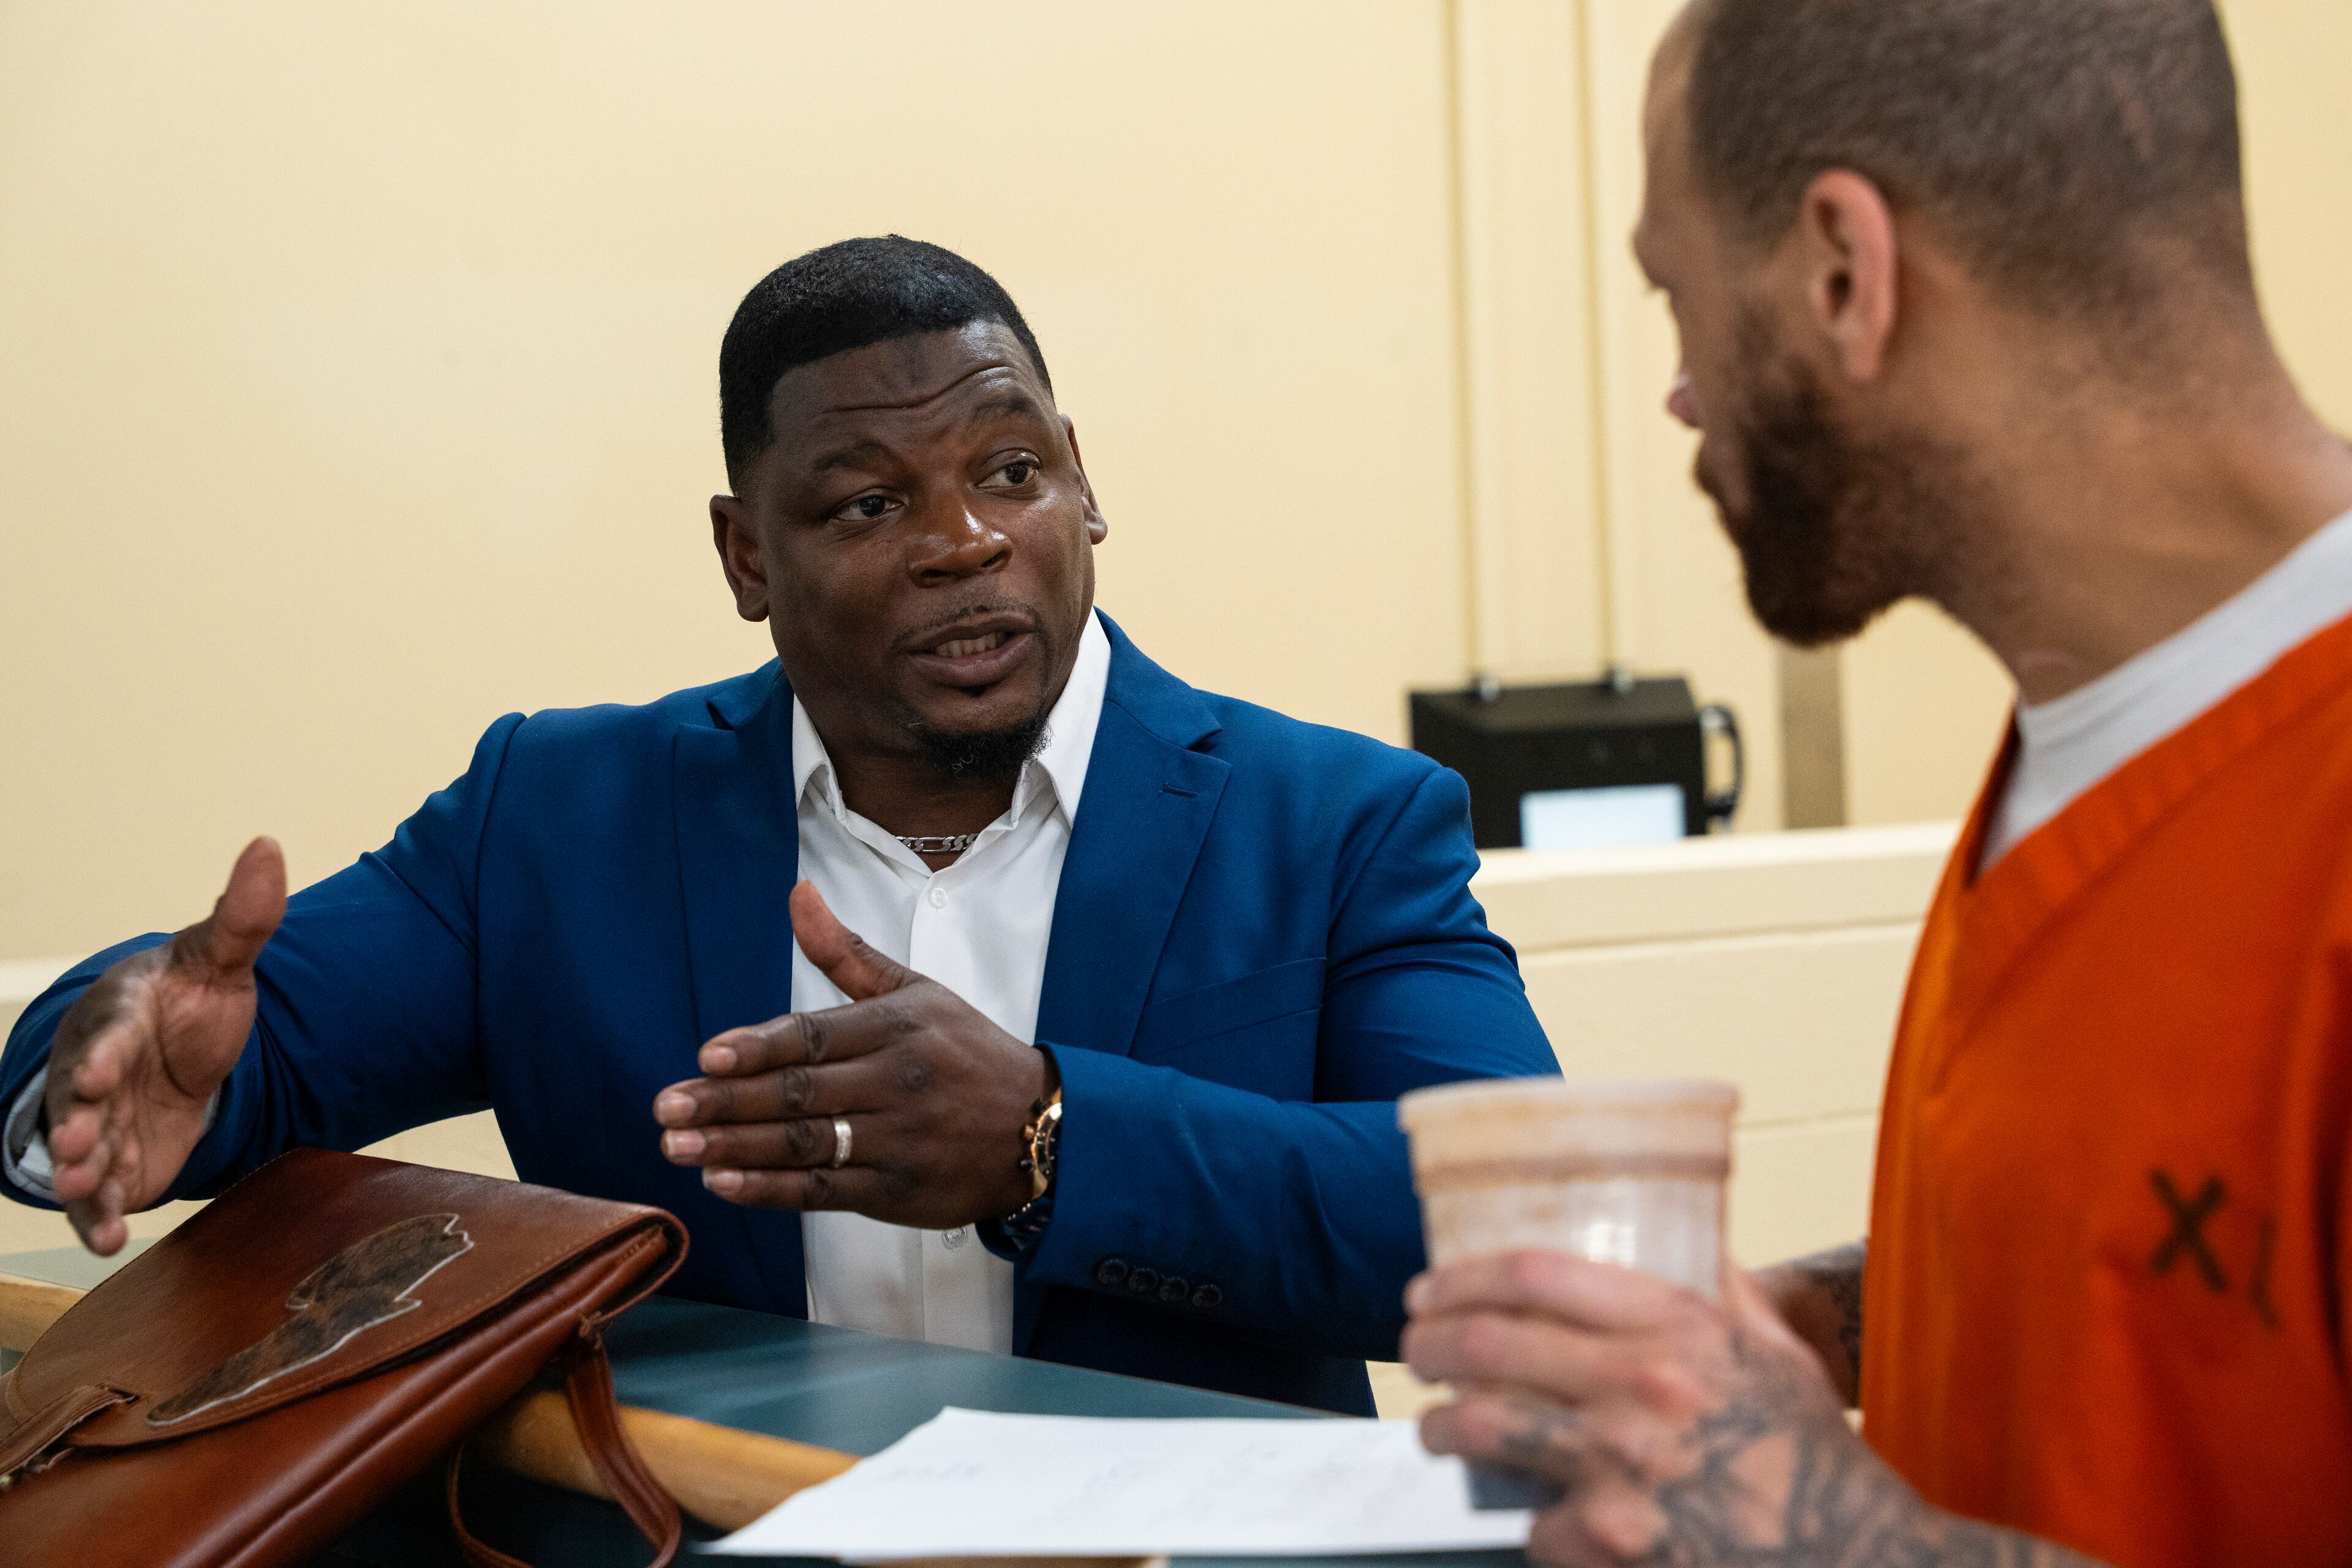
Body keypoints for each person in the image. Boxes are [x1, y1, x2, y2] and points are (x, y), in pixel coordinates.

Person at [1, 236, 1559, 1415]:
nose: (963, 542)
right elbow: (243, 1052)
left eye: (1009, 470)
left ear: (1082, 483)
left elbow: (1519, 1228)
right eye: (868, 504)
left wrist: (1045, 1135)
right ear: (749, 555)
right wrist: (116, 1074)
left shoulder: (1340, 822)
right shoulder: (556, 818)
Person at [1405, 0, 2352, 1561]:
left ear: (1847, 273)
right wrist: (1818, 1325)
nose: (1686, 393)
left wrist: (1829, 1530)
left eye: (1679, 300)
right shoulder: (2095, 724)